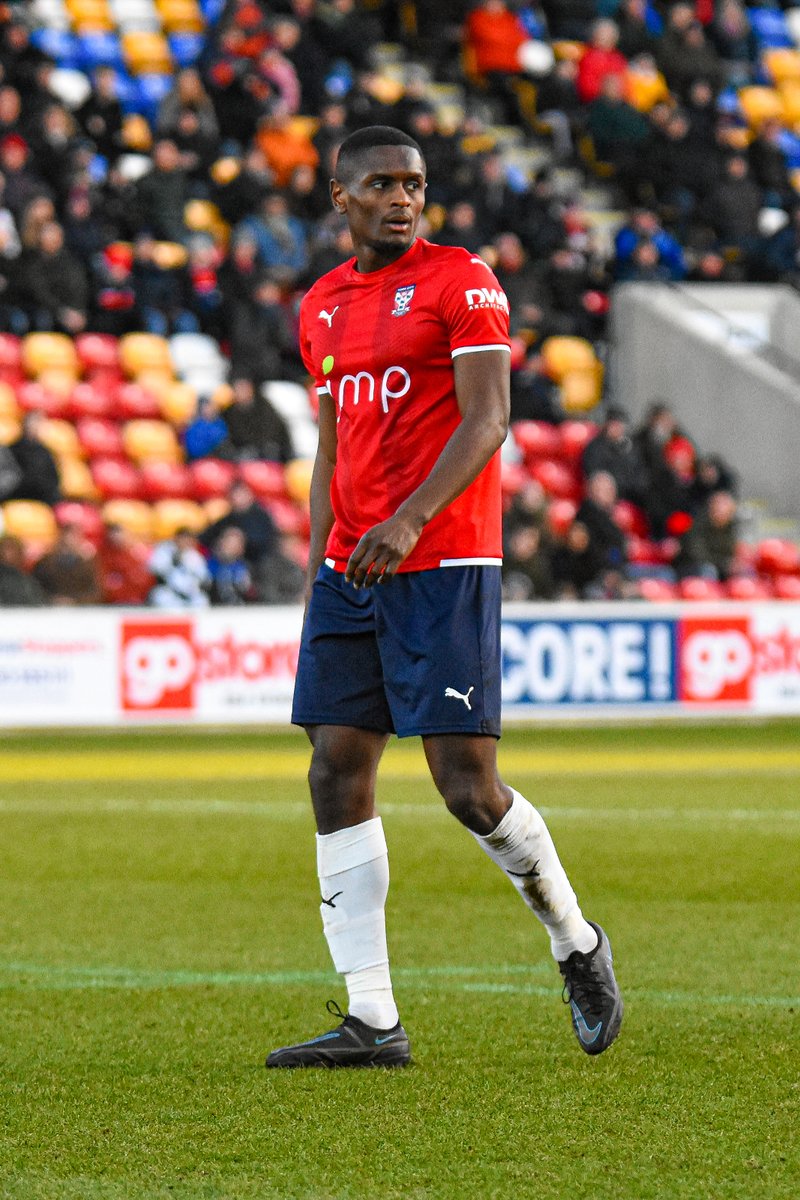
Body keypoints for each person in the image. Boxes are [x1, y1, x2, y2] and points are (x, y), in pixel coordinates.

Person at [265, 126, 622, 1070]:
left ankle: (576, 941)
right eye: (382, 184)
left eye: (414, 184)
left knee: (466, 787)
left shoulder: (463, 280)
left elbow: (490, 417)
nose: (402, 198)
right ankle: (373, 1018)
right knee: (335, 766)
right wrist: (318, 566)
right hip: (353, 567)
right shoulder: (322, 307)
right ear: (339, 196)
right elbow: (333, 447)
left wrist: (412, 520)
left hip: (444, 559)